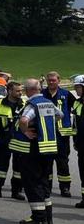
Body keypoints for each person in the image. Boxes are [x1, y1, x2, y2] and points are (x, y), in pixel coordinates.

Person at [11, 78, 61, 224]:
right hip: (49, 147)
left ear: (30, 90)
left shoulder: (32, 104)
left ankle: (39, 218)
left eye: (25, 89)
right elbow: (60, 115)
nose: (24, 92)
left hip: (35, 148)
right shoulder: (48, 103)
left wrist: (26, 132)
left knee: (33, 183)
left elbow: (24, 120)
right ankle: (48, 216)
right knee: (44, 182)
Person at [0, 80, 24, 199]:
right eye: (17, 91)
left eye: (21, 91)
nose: (20, 93)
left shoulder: (24, 104)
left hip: (19, 139)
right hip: (4, 139)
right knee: (0, 167)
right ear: (9, 91)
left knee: (19, 168)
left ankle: (16, 191)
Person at [42, 71, 74, 197]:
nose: (51, 82)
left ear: (58, 81)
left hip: (62, 136)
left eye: (53, 80)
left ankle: (65, 188)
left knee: (63, 163)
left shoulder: (66, 94)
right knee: (46, 163)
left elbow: (76, 108)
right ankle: (46, 187)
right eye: (49, 80)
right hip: (46, 134)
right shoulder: (42, 94)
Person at [72, 75, 83, 209]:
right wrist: (75, 140)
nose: (76, 89)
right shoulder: (77, 102)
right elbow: (75, 125)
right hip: (81, 143)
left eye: (78, 87)